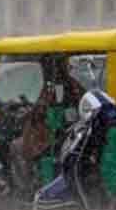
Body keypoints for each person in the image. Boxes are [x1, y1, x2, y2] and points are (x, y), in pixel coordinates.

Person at [7, 55, 86, 195]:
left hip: (55, 136)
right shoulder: (69, 84)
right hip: (67, 131)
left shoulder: (54, 86)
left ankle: (27, 187)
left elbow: (40, 109)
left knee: (17, 146)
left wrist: (27, 115)